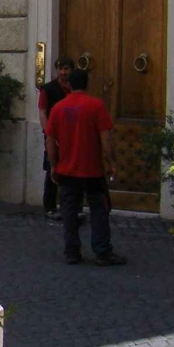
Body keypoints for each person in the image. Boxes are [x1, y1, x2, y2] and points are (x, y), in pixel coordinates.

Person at [46, 68, 124, 266]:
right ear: (87, 84)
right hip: (92, 170)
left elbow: (50, 140)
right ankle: (102, 252)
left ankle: (71, 252)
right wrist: (112, 163)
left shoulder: (58, 108)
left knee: (69, 211)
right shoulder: (96, 106)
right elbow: (106, 139)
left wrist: (53, 166)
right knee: (99, 210)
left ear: (69, 84)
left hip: (67, 170)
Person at [37, 57, 76, 221]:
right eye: (60, 68)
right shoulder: (48, 89)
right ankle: (50, 207)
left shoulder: (75, 88)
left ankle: (72, 206)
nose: (63, 72)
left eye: (66, 69)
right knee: (52, 168)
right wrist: (48, 133)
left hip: (72, 135)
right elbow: (42, 111)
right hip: (54, 134)